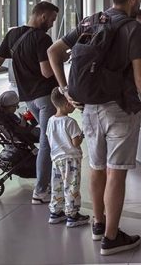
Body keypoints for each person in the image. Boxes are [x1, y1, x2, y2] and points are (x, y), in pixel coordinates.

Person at [47, 0, 141, 255]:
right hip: (120, 108)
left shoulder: (89, 21)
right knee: (116, 172)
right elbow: (140, 74)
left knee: (96, 167)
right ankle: (112, 238)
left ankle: (98, 223)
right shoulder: (132, 28)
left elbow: (54, 51)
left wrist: (64, 89)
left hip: (90, 107)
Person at [0, 1, 60, 205]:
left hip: (28, 98)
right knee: (46, 141)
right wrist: (60, 58)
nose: (52, 24)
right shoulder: (42, 39)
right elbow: (46, 72)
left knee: (44, 137)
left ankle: (45, 183)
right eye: (52, 19)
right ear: (43, 16)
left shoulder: (13, 35)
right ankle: (41, 189)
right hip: (45, 97)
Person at [46, 87, 90, 228]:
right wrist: (82, 134)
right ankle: (72, 215)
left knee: (57, 186)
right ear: (67, 104)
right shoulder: (70, 122)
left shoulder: (51, 121)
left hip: (56, 159)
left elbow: (49, 138)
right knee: (71, 186)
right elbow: (75, 142)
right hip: (70, 159)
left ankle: (56, 212)